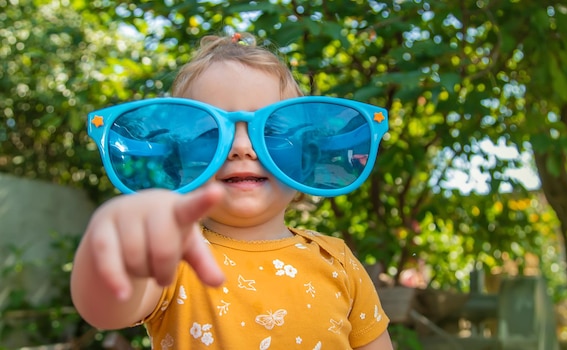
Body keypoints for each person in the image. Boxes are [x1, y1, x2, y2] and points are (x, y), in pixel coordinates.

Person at [71, 32, 393, 349]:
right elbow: (105, 309)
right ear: (178, 166)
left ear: (304, 161)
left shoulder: (337, 261)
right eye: (210, 133)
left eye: (271, 131)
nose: (241, 147)